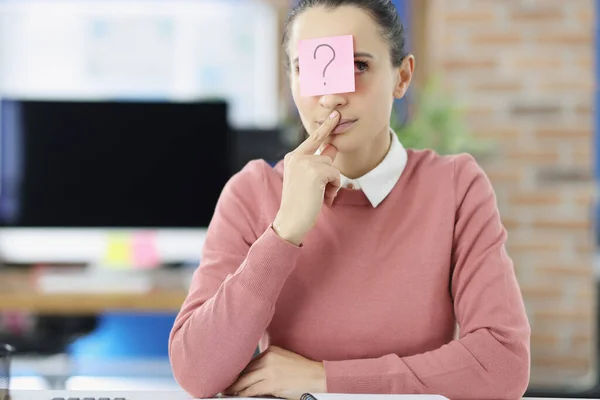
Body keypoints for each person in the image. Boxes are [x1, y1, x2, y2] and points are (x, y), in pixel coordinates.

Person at [168, 0, 531, 398]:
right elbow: (197, 373)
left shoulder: (455, 186)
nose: (332, 98)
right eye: (308, 69)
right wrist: (283, 232)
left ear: (402, 77)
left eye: (358, 66)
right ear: (290, 80)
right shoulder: (252, 191)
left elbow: (502, 364)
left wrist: (323, 380)